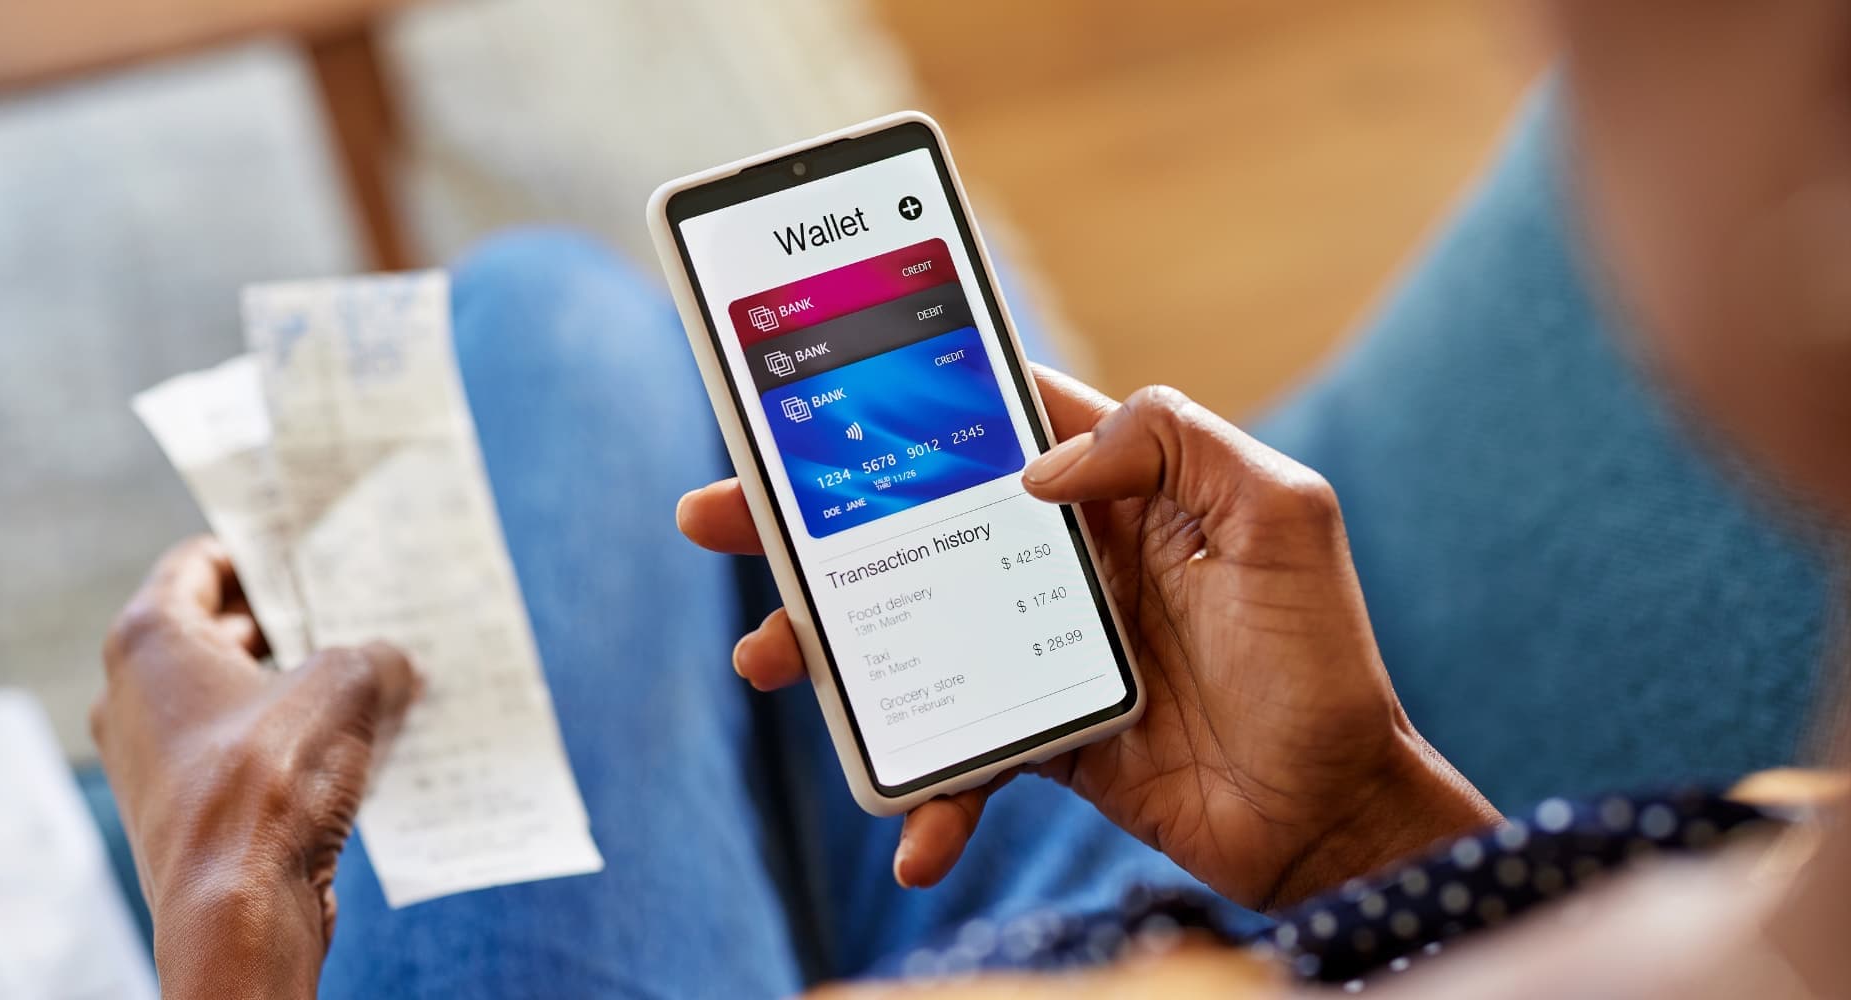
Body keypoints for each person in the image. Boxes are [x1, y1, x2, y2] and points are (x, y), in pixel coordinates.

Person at [90, 2, 1851, 996]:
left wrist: (234, 917)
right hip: (1267, 899)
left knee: (527, 336)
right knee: (555, 335)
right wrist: (1367, 835)